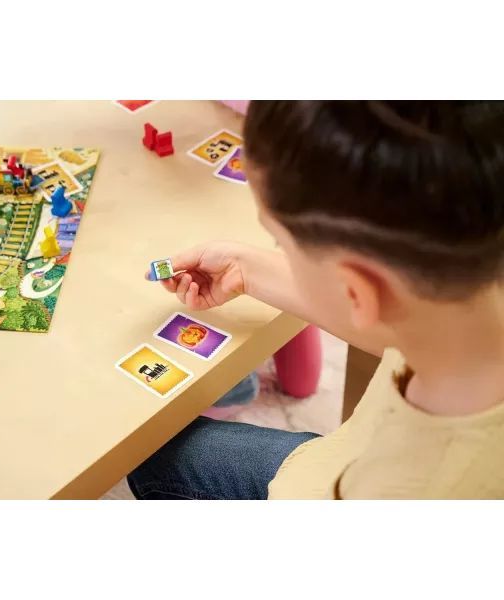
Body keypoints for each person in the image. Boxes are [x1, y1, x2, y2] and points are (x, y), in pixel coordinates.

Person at [128, 101, 504, 499]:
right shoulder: (463, 296)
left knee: (144, 456)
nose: (279, 250)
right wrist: (245, 269)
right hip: (341, 457)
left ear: (357, 292)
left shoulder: (402, 493)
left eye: (280, 242)